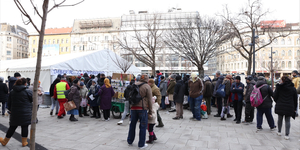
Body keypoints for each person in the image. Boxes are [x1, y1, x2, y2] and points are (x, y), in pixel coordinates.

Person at [0, 78, 32, 147]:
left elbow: (9, 103)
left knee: (12, 127)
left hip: (15, 112)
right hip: (25, 112)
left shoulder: (12, 92)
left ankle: (5, 141)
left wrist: (10, 109)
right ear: (25, 84)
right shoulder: (28, 91)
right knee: (25, 126)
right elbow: (32, 100)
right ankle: (24, 142)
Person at [127, 74, 153, 149]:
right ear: (147, 79)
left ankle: (130, 140)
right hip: (142, 108)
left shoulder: (134, 84)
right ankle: (141, 144)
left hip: (133, 108)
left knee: (132, 125)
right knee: (143, 126)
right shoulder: (147, 86)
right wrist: (150, 112)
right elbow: (150, 100)